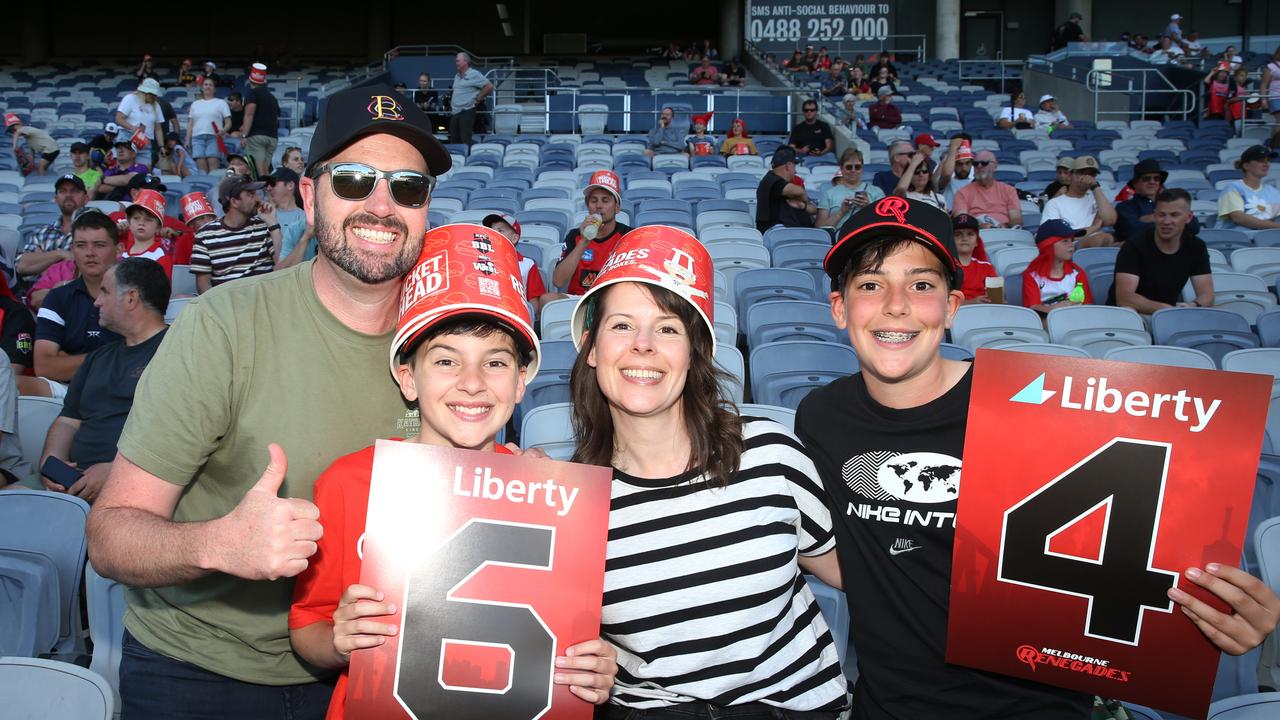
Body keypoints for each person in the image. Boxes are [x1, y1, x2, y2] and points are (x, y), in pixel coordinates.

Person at [796, 197, 1280, 720]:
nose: (896, 304)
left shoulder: (1041, 406)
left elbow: (1131, 552)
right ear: (839, 308)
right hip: (890, 707)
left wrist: (1212, 612)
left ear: (953, 306)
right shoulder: (823, 417)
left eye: (921, 284)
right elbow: (865, 559)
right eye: (870, 284)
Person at [84, 83, 455, 719]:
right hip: (199, 669)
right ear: (309, 198)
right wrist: (218, 546)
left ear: (426, 209)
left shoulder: (451, 345)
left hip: (374, 670)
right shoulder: (223, 325)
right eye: (354, 180)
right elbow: (111, 537)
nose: (382, 205)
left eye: (408, 187)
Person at [289, 224, 616, 719]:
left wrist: (590, 670)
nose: (471, 383)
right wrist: (338, 640)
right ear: (407, 377)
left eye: (496, 363)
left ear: (522, 380)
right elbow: (307, 628)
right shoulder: (349, 481)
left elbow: (571, 647)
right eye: (445, 360)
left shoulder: (554, 497)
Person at [568, 225, 848, 718]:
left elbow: (854, 574)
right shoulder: (573, 501)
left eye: (668, 328)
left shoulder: (771, 452)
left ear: (694, 354)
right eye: (621, 326)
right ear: (591, 350)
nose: (643, 345)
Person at [39, 258, 169, 504]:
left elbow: (179, 434)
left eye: (105, 292)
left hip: (138, 489)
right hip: (71, 485)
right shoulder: (97, 358)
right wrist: (50, 462)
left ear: (131, 298)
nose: (97, 301)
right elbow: (68, 420)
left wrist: (116, 471)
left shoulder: (178, 352)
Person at [34, 211, 122, 395]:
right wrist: (105, 358)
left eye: (99, 245)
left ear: (118, 249)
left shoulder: (133, 294)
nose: (89, 253)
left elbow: (135, 360)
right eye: (81, 245)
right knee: (16, 385)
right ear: (73, 249)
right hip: (68, 388)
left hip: (121, 388)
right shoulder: (57, 297)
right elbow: (43, 366)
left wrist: (66, 360)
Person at [1110, 188, 1214, 311]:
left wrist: (1193, 305)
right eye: (1161, 215)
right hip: (1132, 313)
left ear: (1189, 217)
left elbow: (1207, 295)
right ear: (1154, 215)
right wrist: (1167, 309)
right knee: (1128, 309)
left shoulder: (1196, 247)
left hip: (1168, 313)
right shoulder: (1134, 245)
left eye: (1174, 215)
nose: (1166, 221)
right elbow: (1125, 298)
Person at [191, 175, 280, 293]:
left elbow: (282, 264)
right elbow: (203, 284)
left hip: (264, 300)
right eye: (250, 194)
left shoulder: (264, 226)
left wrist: (272, 223)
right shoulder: (205, 235)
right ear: (234, 202)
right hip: (227, 304)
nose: (258, 199)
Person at [554, 170, 632, 295]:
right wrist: (584, 241)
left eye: (605, 200)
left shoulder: (629, 236)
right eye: (594, 201)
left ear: (617, 207)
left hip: (613, 300)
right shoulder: (575, 235)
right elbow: (558, 281)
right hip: (578, 299)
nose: (599, 205)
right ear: (587, 205)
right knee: (547, 299)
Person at [17, 174, 87, 286]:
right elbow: (21, 266)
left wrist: (42, 263)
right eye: (62, 191)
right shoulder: (41, 232)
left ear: (86, 198)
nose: (68, 195)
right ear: (56, 198)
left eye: (74, 191)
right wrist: (60, 254)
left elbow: (85, 270)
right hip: (34, 292)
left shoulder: (94, 231)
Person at [481, 212, 558, 312]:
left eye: (500, 230)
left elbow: (533, 303)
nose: (494, 234)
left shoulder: (527, 264)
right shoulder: (480, 260)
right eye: (491, 231)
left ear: (514, 238)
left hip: (516, 314)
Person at [1115, 159, 1200, 242]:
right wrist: (1173, 222)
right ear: (1135, 183)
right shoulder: (1124, 207)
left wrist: (1152, 218)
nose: (1152, 182)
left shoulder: (1172, 203)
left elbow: (1194, 225)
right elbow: (1133, 231)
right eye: (1146, 178)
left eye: (1156, 178)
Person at [1022, 219, 1094, 314]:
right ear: (1047, 245)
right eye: (1065, 241)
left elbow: (1087, 305)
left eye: (1072, 240)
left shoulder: (1077, 273)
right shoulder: (1032, 275)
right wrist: (1055, 309)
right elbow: (1033, 310)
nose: (1071, 245)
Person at [1041, 156, 1116, 247]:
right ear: (1071, 175)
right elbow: (1054, 236)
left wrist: (1095, 187)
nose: (1087, 178)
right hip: (1071, 246)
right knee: (1104, 238)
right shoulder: (1054, 203)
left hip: (1100, 243)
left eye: (1091, 175)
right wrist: (1095, 227)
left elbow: (1111, 220)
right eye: (1082, 173)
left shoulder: (1097, 198)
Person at [951, 151, 1022, 228]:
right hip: (977, 233)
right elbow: (962, 222)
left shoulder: (1009, 190)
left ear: (995, 165)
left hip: (1005, 232)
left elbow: (1016, 219)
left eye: (984, 163)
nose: (979, 166)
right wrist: (980, 226)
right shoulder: (962, 193)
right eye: (975, 163)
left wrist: (1004, 227)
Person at [1216, 145, 1280, 231]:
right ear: (1246, 166)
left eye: (1268, 160)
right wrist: (1276, 226)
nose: (1266, 164)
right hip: (1236, 240)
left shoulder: (1273, 191)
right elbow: (1238, 217)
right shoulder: (1233, 188)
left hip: (1265, 239)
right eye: (1260, 160)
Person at [817, 148, 884, 228]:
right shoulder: (829, 194)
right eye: (849, 167)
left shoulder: (877, 192)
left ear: (862, 168)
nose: (853, 170)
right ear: (841, 169)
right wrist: (841, 212)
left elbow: (884, 222)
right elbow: (820, 227)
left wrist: (868, 208)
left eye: (857, 167)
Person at [756, 147, 816, 231]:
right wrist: (804, 198)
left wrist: (803, 206)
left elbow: (813, 209)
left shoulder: (785, 184)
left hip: (797, 231)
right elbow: (799, 192)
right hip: (779, 233)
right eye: (794, 166)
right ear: (788, 166)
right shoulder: (770, 179)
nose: (795, 171)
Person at [119, 190, 176, 277]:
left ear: (158, 227)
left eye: (148, 219)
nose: (141, 223)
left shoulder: (161, 255)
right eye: (136, 218)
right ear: (129, 223)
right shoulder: (122, 253)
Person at [241, 64, 281, 178]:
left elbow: (249, 114)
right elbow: (276, 118)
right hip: (272, 138)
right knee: (265, 171)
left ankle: (264, 194)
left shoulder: (252, 93)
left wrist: (244, 135)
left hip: (257, 137)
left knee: (258, 173)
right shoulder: (272, 97)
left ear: (250, 79)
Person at [264, 167, 311, 266]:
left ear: (290, 185)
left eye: (273, 183)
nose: (268, 188)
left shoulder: (304, 219)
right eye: (267, 185)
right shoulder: (264, 215)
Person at [187, 77, 231, 173]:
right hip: (197, 138)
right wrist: (187, 139)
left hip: (214, 137)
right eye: (205, 84)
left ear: (214, 89)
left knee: (213, 172)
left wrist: (223, 130)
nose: (208, 87)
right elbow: (190, 123)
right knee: (202, 172)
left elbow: (228, 122)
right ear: (202, 88)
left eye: (210, 85)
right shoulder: (195, 104)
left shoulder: (221, 103)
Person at [448, 52, 493, 146]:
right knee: (454, 139)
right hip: (455, 112)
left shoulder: (474, 74)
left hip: (467, 111)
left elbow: (489, 86)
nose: (456, 63)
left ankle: (466, 158)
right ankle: (456, 159)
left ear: (465, 62)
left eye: (458, 61)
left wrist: (479, 98)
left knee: (465, 139)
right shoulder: (457, 76)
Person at [952, 213, 997, 304]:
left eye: (970, 234)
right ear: (951, 240)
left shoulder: (987, 267)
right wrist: (972, 302)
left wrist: (998, 299)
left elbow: (996, 298)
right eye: (958, 234)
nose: (964, 238)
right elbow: (943, 302)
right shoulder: (945, 266)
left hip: (983, 314)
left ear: (977, 241)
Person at [115, 78, 166, 156]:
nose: (154, 97)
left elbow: (158, 129)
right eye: (152, 94)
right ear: (145, 92)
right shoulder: (130, 98)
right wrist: (133, 128)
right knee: (126, 164)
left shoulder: (156, 106)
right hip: (127, 136)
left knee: (144, 166)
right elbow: (119, 118)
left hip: (145, 140)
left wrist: (161, 146)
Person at [937, 139, 974, 206]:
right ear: (954, 164)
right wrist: (953, 149)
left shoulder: (975, 183)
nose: (964, 168)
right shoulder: (947, 183)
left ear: (971, 163)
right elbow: (947, 174)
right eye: (959, 164)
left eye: (967, 163)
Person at [1262, 49, 1280, 147]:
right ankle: (1274, 144)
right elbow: (1264, 84)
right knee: (1279, 121)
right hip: (1275, 96)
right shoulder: (1270, 66)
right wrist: (1263, 99)